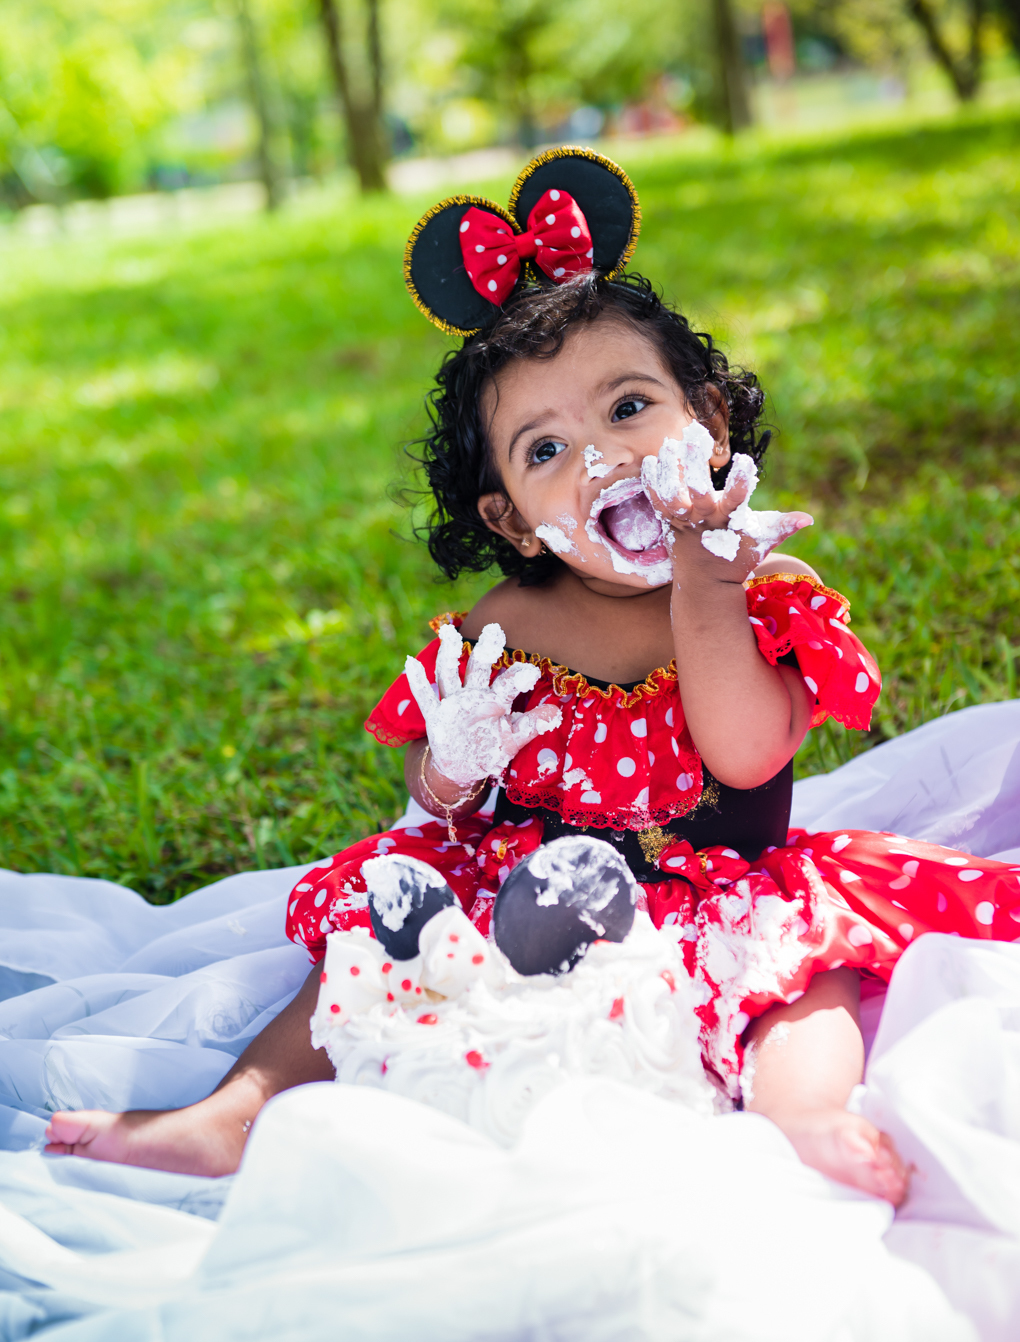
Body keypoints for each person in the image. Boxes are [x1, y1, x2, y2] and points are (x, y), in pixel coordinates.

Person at [44, 150, 1020, 1203]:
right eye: (545, 450)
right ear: (509, 515)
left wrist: (704, 572)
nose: (599, 457)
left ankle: (806, 1114)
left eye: (629, 407)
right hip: (526, 900)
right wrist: (454, 768)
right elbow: (436, 790)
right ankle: (231, 1114)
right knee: (374, 935)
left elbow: (742, 749)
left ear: (711, 419)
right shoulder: (511, 623)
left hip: (724, 894)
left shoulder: (759, 583)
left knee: (804, 970)